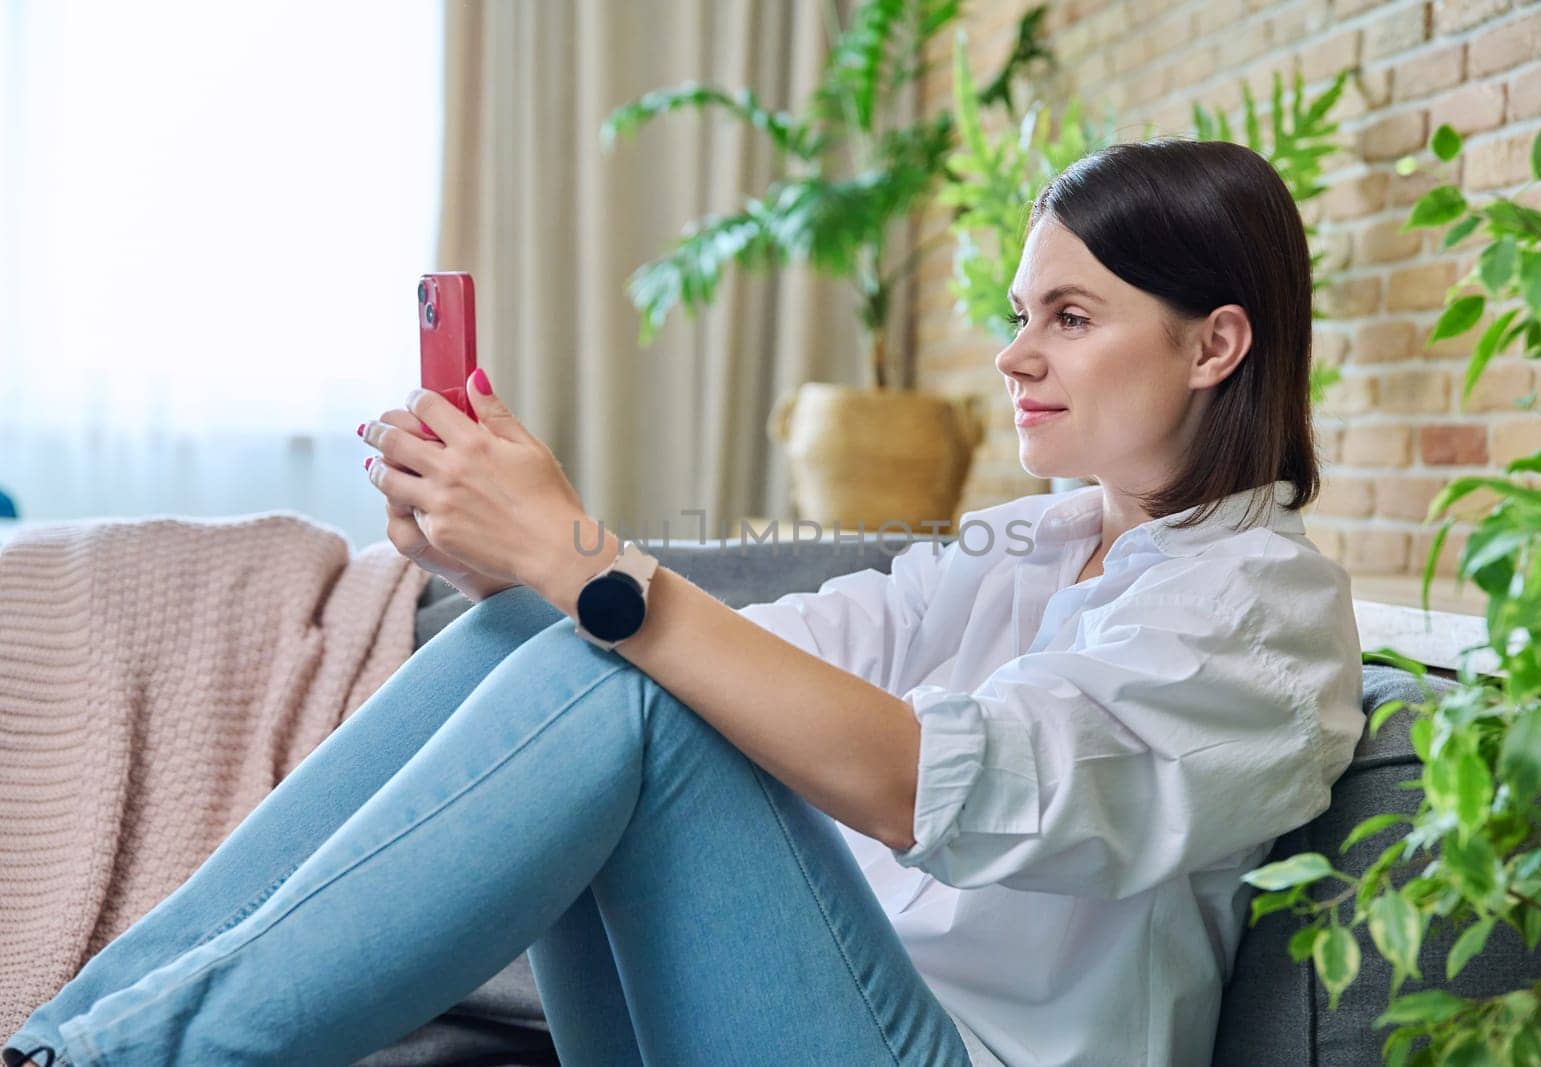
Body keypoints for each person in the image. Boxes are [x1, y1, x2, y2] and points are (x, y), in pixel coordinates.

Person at [5, 137, 1365, 1067]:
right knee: (559, 632)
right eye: (1021, 312)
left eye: (1069, 317)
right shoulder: (1027, 551)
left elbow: (926, 787)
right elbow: (742, 660)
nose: (1015, 352)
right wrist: (521, 564)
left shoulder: (1259, 619)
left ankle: (120, 1055)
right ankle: (77, 1034)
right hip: (791, 1010)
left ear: (1215, 343)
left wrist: (589, 566)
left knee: (610, 639)